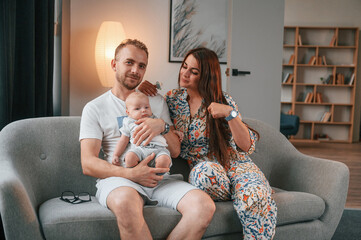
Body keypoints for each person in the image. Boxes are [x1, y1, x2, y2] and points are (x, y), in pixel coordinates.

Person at [79, 39, 215, 240]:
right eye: (129, 62)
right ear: (114, 64)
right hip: (120, 181)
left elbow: (175, 151)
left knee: (204, 206)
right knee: (125, 203)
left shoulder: (156, 102)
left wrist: (162, 125)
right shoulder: (95, 107)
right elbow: (88, 164)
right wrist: (132, 174)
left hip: (161, 179)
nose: (135, 70)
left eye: (141, 66)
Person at [140, 47, 277, 239]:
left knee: (254, 197)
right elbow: (141, 107)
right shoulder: (172, 99)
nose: (185, 73)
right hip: (206, 171)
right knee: (205, 174)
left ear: (206, 76)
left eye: (194, 72)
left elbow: (247, 146)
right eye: (184, 67)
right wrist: (141, 87)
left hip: (238, 167)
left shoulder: (224, 100)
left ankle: (252, 190)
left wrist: (231, 114)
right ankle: (244, 192)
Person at [112, 91, 171, 170]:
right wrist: (116, 155)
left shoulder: (155, 119)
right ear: (128, 112)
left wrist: (175, 132)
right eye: (137, 108)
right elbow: (123, 140)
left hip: (159, 149)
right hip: (139, 150)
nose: (143, 110)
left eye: (146, 107)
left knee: (164, 160)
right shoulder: (128, 122)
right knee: (129, 158)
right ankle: (136, 173)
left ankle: (159, 175)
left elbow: (164, 129)